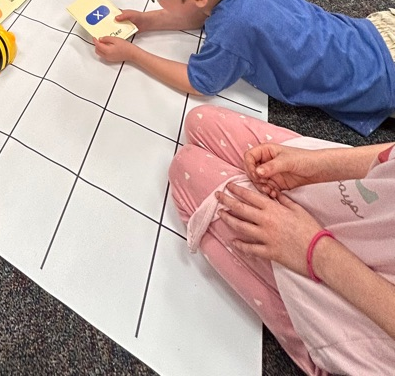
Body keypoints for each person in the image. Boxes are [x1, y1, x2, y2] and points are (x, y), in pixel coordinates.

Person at [94, 0, 395, 136]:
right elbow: (198, 15)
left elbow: (199, 83)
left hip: (379, 81)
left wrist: (133, 55)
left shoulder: (233, 31)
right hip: (375, 32)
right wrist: (147, 21)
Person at [169, 104, 395, 376]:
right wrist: (316, 165)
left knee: (184, 167)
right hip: (366, 199)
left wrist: (313, 250)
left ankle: (313, 346)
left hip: (358, 311)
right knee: (198, 120)